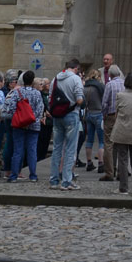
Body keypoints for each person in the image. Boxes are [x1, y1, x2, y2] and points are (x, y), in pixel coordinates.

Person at [48, 57, 84, 190]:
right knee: (70, 149)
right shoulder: (75, 79)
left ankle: (53, 180)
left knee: (57, 148)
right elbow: (80, 99)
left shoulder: (55, 78)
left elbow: (50, 96)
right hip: (71, 115)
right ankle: (66, 181)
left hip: (57, 116)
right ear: (76, 68)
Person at [4, 69, 44, 181]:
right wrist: (31, 120)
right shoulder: (37, 93)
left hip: (19, 125)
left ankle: (13, 175)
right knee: (32, 151)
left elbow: (11, 109)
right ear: (32, 81)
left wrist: (21, 119)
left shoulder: (17, 92)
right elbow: (40, 110)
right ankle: (33, 175)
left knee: (17, 150)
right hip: (34, 125)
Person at [111, 72, 132, 194]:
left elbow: (117, 112)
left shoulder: (120, 95)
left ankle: (123, 187)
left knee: (123, 160)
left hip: (122, 130)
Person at [100, 63, 124, 182]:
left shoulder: (109, 85)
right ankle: (121, 171)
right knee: (121, 144)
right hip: (122, 117)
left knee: (108, 144)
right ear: (119, 73)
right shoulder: (125, 84)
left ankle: (109, 172)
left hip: (110, 116)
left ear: (109, 74)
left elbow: (104, 103)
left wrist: (104, 114)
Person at [82, 66, 105, 173]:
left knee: (89, 139)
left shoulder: (85, 87)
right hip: (99, 114)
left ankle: (89, 162)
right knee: (102, 141)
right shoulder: (100, 87)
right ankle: (101, 163)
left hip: (89, 113)